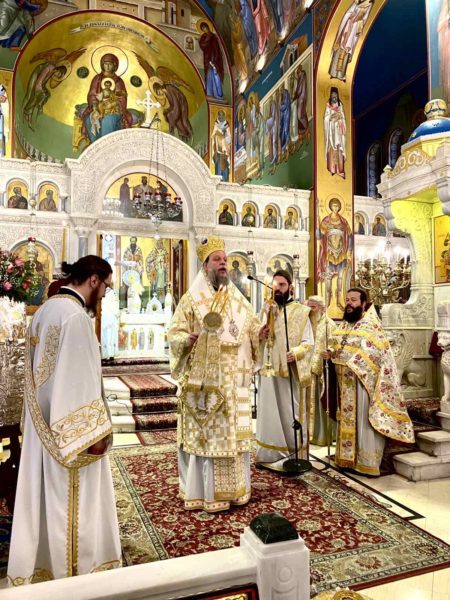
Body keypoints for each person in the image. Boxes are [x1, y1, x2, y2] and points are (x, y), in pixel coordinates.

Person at [7, 256, 121, 585]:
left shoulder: (45, 310)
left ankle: (42, 566)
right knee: (70, 504)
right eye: (106, 286)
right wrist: (91, 437)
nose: (104, 294)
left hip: (42, 424)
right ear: (94, 279)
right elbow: (76, 378)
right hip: (69, 433)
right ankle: (77, 573)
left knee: (42, 500)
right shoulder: (75, 317)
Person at [168, 235, 268, 512]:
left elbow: (252, 329)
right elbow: (174, 333)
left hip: (234, 383)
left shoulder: (238, 299)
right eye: (217, 260)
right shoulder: (191, 300)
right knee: (207, 439)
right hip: (205, 382)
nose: (223, 264)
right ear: (206, 265)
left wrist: (261, 334)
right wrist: (186, 339)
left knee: (233, 437)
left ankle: (236, 491)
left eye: (225, 259)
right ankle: (203, 493)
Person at [324, 288, 414, 476]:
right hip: (345, 383)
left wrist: (349, 361)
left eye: (354, 300)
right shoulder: (346, 324)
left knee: (363, 422)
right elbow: (338, 344)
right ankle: (347, 460)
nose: (349, 303)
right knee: (347, 420)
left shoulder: (371, 325)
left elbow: (374, 353)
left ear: (363, 303)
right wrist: (331, 353)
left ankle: (366, 462)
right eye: (348, 299)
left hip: (363, 383)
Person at [256, 270, 314, 468]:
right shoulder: (266, 310)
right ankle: (269, 455)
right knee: (269, 412)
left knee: (290, 411)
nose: (277, 289)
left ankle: (292, 454)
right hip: (268, 372)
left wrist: (296, 353)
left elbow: (309, 343)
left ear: (290, 287)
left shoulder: (301, 312)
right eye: (275, 285)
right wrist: (260, 335)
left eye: (282, 285)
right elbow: (256, 337)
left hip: (289, 373)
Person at [305, 295, 336, 446]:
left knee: (321, 403)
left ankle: (322, 435)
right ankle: (308, 434)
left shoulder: (329, 324)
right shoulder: (305, 323)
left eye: (313, 307)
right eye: (308, 307)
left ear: (322, 308)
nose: (310, 310)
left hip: (322, 369)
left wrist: (330, 351)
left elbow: (335, 343)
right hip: (306, 368)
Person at [82, 53, 133, 143]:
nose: (108, 66)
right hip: (98, 107)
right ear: (102, 65)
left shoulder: (118, 81)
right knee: (90, 119)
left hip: (113, 110)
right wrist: (95, 107)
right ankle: (95, 144)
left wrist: (113, 103)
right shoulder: (97, 79)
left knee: (107, 119)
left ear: (114, 66)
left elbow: (122, 98)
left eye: (110, 64)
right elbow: (92, 95)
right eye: (106, 64)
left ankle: (105, 145)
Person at [317, 197, 352, 309]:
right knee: (328, 279)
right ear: (331, 207)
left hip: (341, 253)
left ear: (339, 207)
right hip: (329, 253)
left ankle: (339, 302)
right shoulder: (326, 221)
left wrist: (350, 250)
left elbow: (350, 236)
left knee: (340, 279)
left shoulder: (343, 221)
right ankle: (326, 304)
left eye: (337, 206)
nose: (335, 208)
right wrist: (317, 227)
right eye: (333, 206)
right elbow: (319, 236)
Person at [198, 21, 224, 99]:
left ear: (208, 27)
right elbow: (202, 45)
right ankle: (210, 92)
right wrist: (207, 39)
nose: (204, 29)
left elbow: (217, 48)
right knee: (209, 75)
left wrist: (215, 58)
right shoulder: (203, 37)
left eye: (205, 28)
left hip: (215, 58)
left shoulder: (214, 37)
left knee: (216, 75)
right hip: (207, 58)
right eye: (203, 29)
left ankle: (218, 94)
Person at [211, 111, 232, 181]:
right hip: (218, 150)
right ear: (218, 116)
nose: (221, 117)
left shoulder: (226, 125)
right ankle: (219, 179)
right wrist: (218, 134)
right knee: (218, 165)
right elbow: (213, 135)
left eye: (222, 115)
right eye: (220, 115)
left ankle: (225, 179)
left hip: (225, 151)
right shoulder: (216, 124)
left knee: (225, 165)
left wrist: (225, 134)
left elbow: (229, 138)